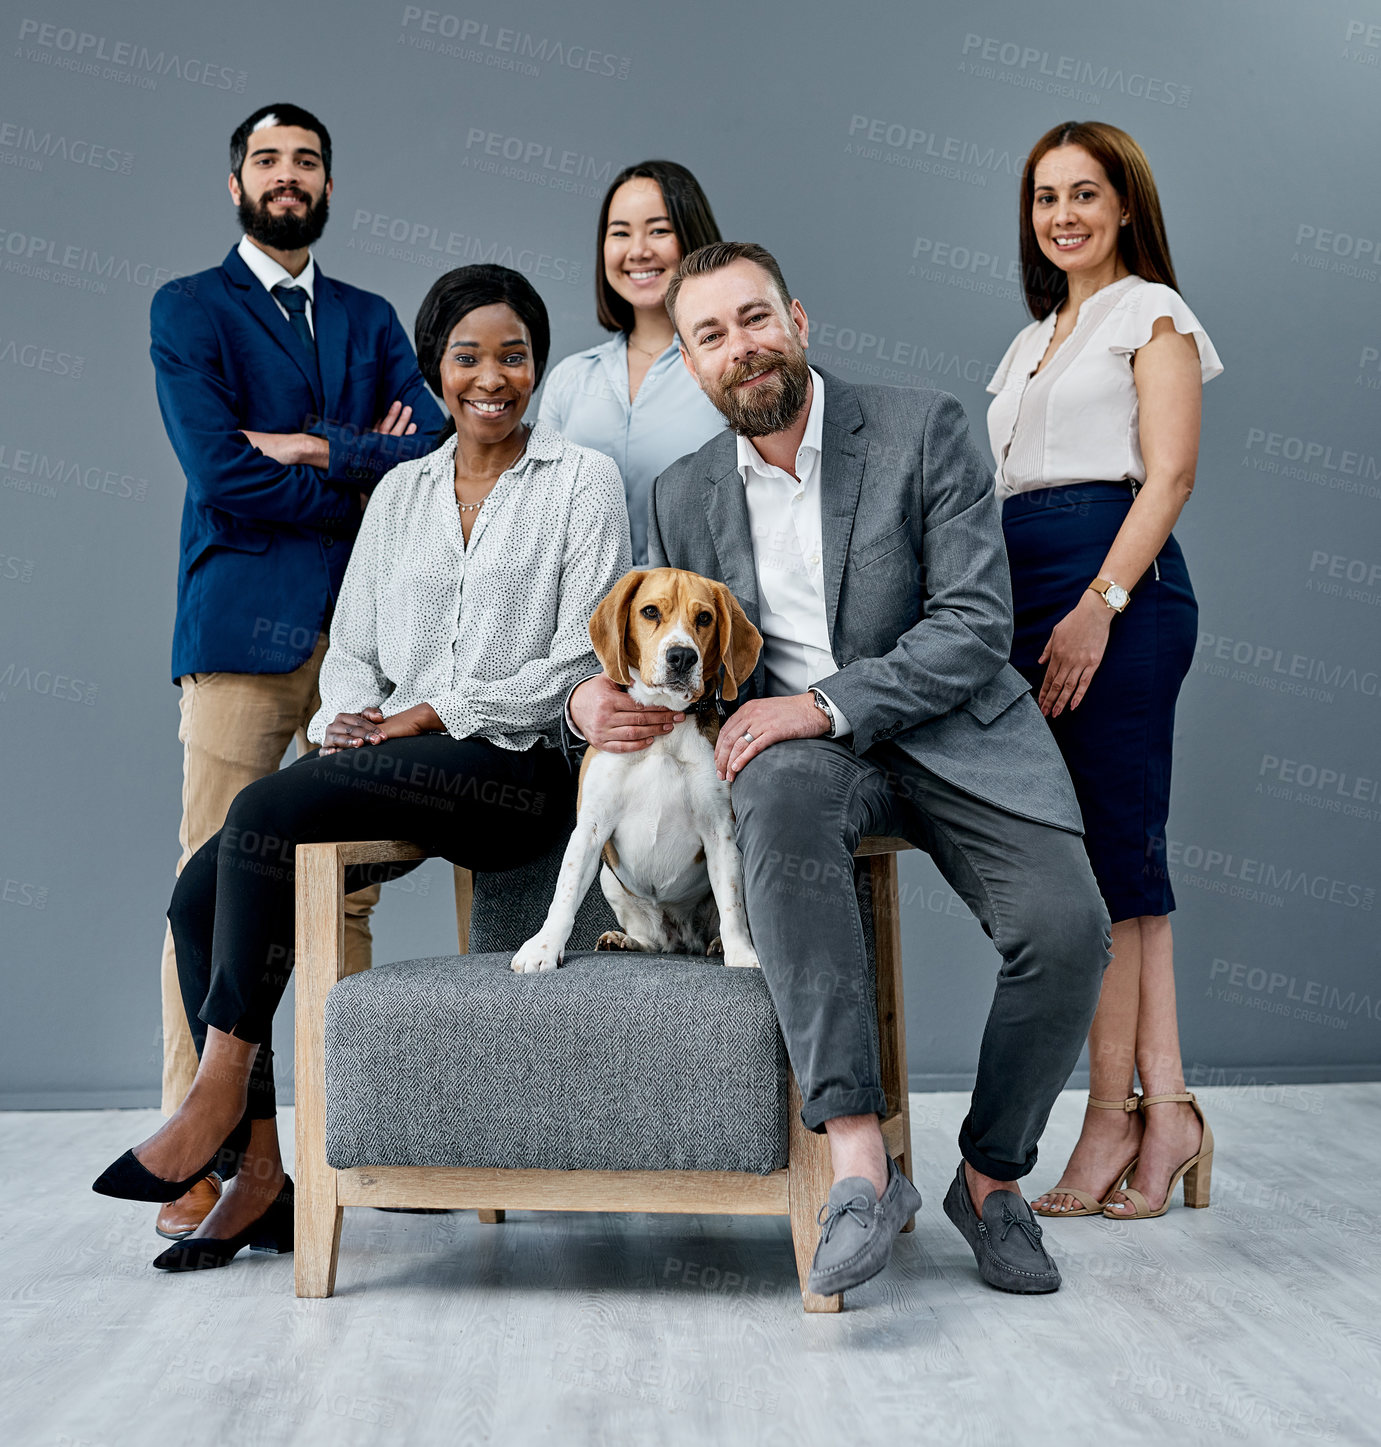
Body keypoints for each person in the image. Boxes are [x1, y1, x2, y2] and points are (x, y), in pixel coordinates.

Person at [569, 241, 1113, 1299]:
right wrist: (586, 697)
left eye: (755, 318)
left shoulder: (922, 429)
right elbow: (676, 652)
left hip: (957, 728)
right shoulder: (684, 495)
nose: (741, 347)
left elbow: (973, 623)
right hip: (803, 758)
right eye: (710, 334)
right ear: (688, 362)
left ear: (799, 319)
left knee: (1066, 930)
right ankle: (860, 1165)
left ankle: (991, 1179)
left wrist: (823, 702)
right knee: (767, 803)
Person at [95, 265, 632, 1271]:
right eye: (467, 356)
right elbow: (353, 645)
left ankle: (219, 1101)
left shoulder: (581, 479)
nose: (492, 377)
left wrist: (430, 710)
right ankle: (259, 1169)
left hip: (519, 772)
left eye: (513, 355)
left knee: (257, 810)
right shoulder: (400, 490)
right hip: (401, 757)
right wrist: (352, 717)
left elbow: (583, 655)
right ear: (435, 371)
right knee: (199, 888)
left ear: (536, 366)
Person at [147, 102, 445, 1240]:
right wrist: (358, 476)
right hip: (240, 632)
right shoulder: (190, 309)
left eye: (306, 161)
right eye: (267, 160)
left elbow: (428, 451)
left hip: (364, 641)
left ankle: (325, 1149)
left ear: (327, 184)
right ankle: (200, 1149)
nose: (287, 176)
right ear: (236, 186)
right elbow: (221, 474)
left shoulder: (370, 320)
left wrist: (325, 445)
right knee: (210, 884)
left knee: (344, 887)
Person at [986, 121, 1222, 1221]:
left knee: (1115, 864)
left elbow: (1167, 476)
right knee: (1107, 869)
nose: (1064, 214)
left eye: (1086, 193)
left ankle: (1110, 1118)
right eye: (1046, 197)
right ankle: (1160, 1107)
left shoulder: (1152, 315)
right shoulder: (1030, 339)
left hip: (1115, 592)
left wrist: (1097, 606)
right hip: (1030, 597)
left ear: (1126, 205)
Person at [537, 160, 726, 563]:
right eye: (620, 232)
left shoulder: (730, 366)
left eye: (659, 230)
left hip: (694, 614)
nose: (638, 251)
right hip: (584, 615)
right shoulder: (569, 379)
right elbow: (542, 516)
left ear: (692, 238)